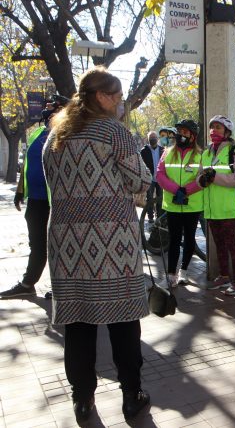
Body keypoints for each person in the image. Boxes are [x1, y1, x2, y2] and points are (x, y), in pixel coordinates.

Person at [42, 67, 151, 421]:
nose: (120, 103)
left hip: (67, 244)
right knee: (123, 321)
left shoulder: (54, 135)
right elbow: (139, 180)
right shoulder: (114, 133)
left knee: (78, 324)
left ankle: (83, 399)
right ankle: (132, 395)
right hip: (111, 244)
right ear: (102, 97)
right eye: (117, 96)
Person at [1, 94, 69, 300]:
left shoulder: (67, 134)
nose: (47, 110)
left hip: (57, 201)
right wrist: (21, 190)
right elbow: (28, 165)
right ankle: (28, 283)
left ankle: (62, 287)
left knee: (59, 246)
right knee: (37, 244)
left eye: (53, 107)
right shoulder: (38, 132)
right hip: (37, 200)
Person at [196, 115, 235, 295]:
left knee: (232, 245)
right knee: (218, 244)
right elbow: (199, 176)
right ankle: (224, 276)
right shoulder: (206, 152)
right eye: (212, 127)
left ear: (226, 131)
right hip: (211, 209)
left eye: (218, 127)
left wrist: (215, 178)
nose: (213, 131)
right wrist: (203, 179)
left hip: (228, 208)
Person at [156, 119, 204, 287]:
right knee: (174, 239)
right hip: (173, 203)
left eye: (185, 132)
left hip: (193, 204)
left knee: (190, 239)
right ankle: (170, 276)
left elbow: (203, 179)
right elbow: (160, 174)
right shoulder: (167, 152)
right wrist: (176, 189)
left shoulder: (200, 155)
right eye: (179, 132)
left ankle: (183, 272)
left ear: (193, 136)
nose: (181, 135)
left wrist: (187, 190)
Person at [139, 131, 164, 223]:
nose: (153, 139)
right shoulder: (143, 151)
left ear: (157, 139)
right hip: (149, 179)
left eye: (154, 137)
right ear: (148, 139)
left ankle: (159, 217)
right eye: (151, 138)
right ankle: (150, 217)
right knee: (149, 198)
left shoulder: (163, 150)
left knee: (160, 198)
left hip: (160, 179)